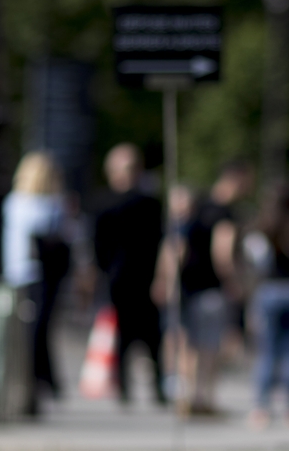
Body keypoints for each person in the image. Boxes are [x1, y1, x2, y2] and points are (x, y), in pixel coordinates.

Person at [177, 160, 253, 416]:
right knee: (210, 346)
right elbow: (222, 251)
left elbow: (179, 245)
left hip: (189, 284)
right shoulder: (225, 213)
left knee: (191, 344)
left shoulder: (199, 205)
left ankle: (187, 397)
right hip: (211, 286)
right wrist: (234, 282)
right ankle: (205, 399)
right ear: (236, 178)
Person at [94, 143, 166, 406]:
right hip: (119, 280)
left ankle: (159, 387)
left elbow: (161, 242)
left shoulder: (149, 204)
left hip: (147, 279)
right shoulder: (103, 203)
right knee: (123, 337)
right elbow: (97, 246)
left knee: (152, 337)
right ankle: (123, 387)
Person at [3, 151, 71, 414]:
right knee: (39, 329)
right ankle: (40, 380)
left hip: (18, 272)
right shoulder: (50, 204)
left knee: (31, 329)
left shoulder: (13, 202)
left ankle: (40, 380)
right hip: (39, 273)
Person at [244, 183, 289, 428]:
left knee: (266, 351)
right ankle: (288, 408)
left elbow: (257, 264)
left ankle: (260, 407)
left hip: (269, 290)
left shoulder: (262, 228)